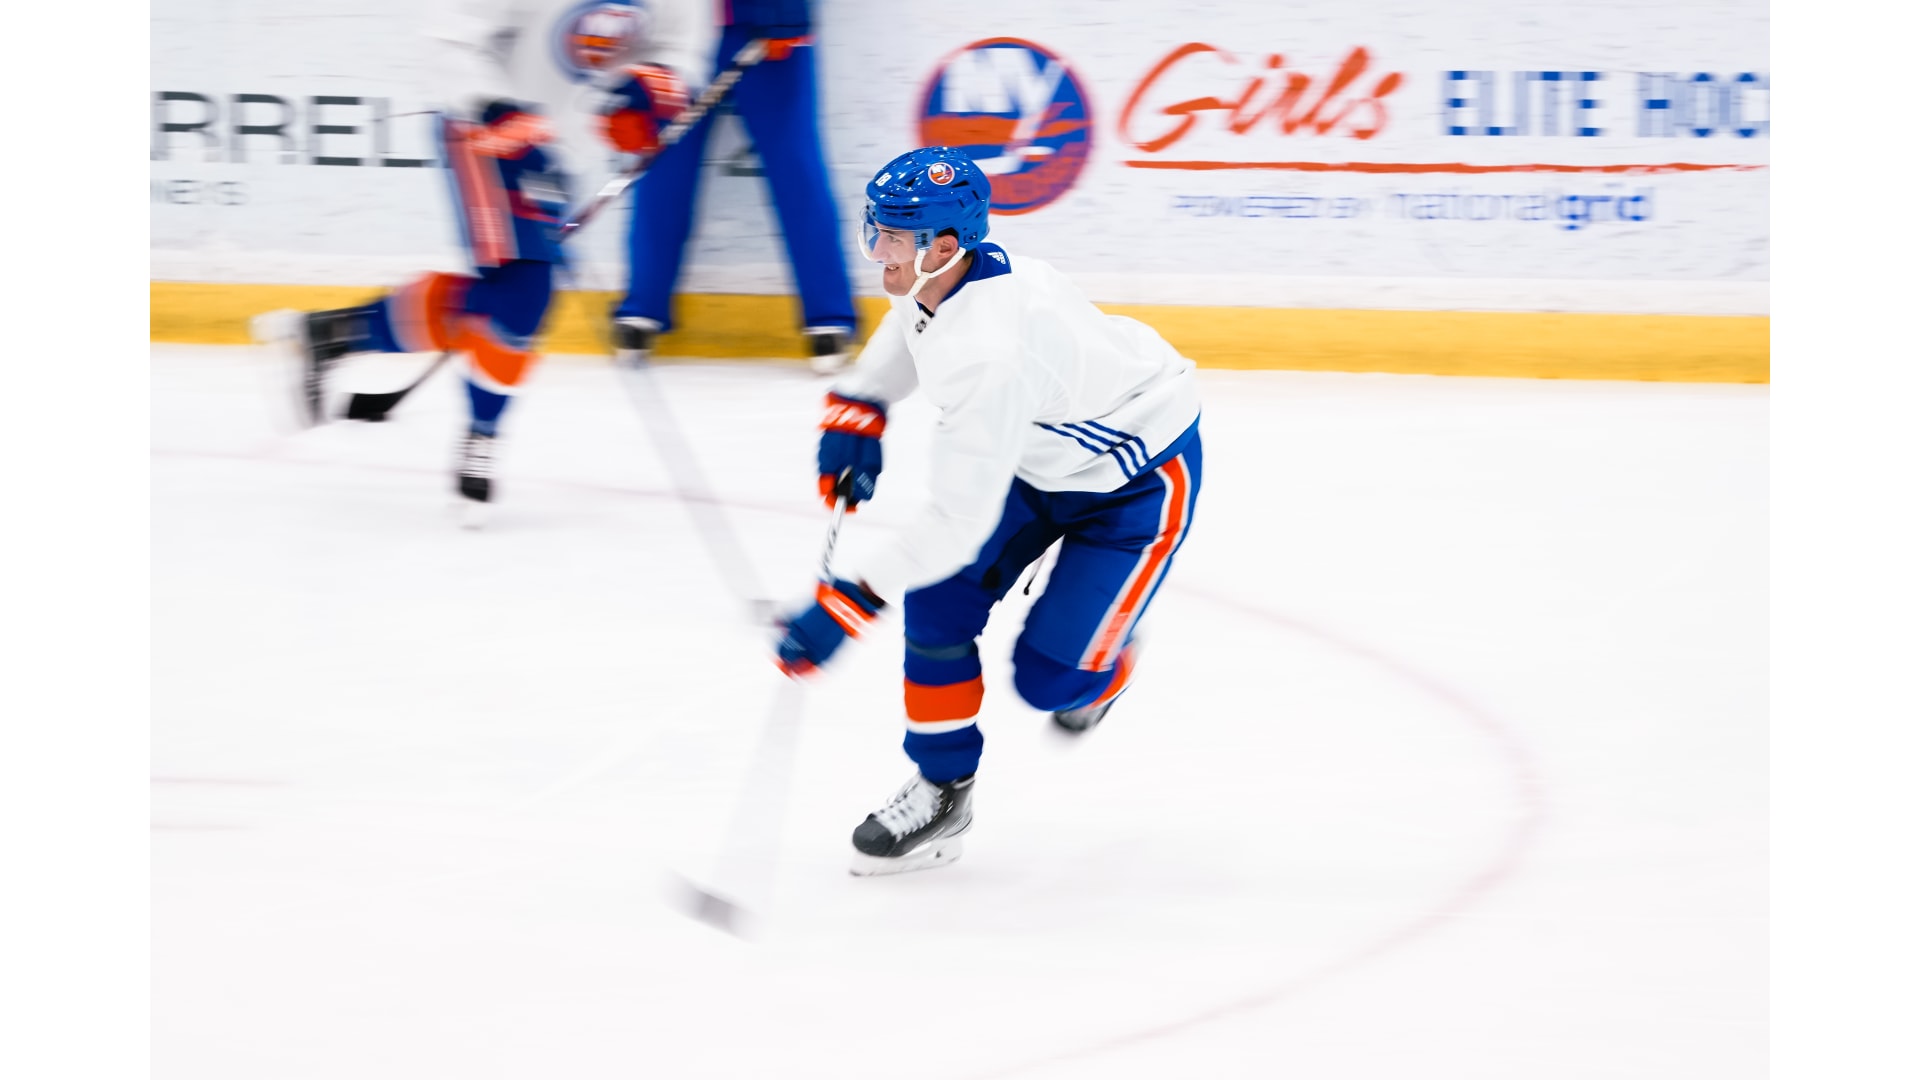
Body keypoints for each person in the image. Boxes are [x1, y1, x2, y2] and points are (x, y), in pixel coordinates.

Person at [772, 147, 1205, 876]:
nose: (878, 251)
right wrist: (860, 408)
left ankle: (1111, 648)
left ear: (944, 247)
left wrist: (846, 604)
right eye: (875, 229)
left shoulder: (991, 354)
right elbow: (911, 328)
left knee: (1050, 683)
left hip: (1136, 483)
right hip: (1037, 461)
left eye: (893, 239)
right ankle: (944, 791)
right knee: (939, 601)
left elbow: (955, 521)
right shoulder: (944, 276)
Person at [251, 0, 713, 523]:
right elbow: (448, 37)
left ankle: (334, 334)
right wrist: (493, 106)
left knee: (507, 298)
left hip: (565, 151)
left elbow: (680, 51)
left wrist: (654, 89)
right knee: (525, 292)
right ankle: (481, 435)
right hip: (483, 128)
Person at [610, 0, 859, 374]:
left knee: (794, 162)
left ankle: (829, 316)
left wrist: (787, 11)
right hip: (677, 30)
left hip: (766, 24)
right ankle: (642, 306)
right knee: (663, 162)